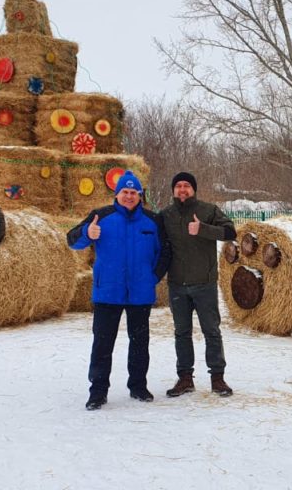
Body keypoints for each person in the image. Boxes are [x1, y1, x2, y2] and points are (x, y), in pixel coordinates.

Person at [67, 171, 166, 411]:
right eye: (125, 192)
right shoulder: (101, 216)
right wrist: (86, 234)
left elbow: (165, 253)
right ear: (117, 194)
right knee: (102, 343)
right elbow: (71, 239)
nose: (129, 196)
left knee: (140, 342)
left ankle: (138, 386)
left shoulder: (152, 221)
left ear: (140, 196)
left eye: (134, 193)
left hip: (140, 293)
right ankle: (98, 391)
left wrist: (152, 277)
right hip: (108, 292)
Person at [158, 171, 237, 397]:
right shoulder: (165, 215)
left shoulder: (208, 210)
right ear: (173, 190)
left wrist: (203, 229)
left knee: (211, 331)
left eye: (187, 186)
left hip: (204, 284)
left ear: (193, 189)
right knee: (181, 333)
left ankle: (217, 378)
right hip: (177, 285)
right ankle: (185, 379)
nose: (182, 189)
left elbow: (231, 231)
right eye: (178, 186)